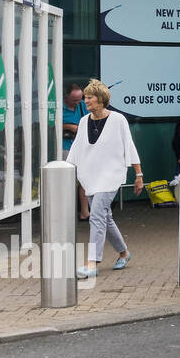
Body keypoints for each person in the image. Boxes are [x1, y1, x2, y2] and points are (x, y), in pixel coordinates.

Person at [66, 79, 141, 278]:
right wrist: (67, 170)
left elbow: (129, 146)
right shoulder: (84, 121)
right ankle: (124, 253)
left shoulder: (118, 120)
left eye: (89, 97)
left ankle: (92, 263)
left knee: (97, 216)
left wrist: (139, 174)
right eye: (86, 97)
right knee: (105, 218)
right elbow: (76, 149)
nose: (86, 100)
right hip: (90, 176)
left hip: (111, 176)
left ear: (100, 100)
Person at [61, 83, 91, 220]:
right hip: (65, 147)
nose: (77, 103)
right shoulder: (59, 108)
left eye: (80, 99)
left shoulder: (83, 106)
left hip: (81, 147)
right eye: (74, 100)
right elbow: (48, 123)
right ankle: (65, 212)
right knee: (67, 181)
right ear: (66, 97)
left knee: (84, 180)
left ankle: (85, 212)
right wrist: (68, 127)